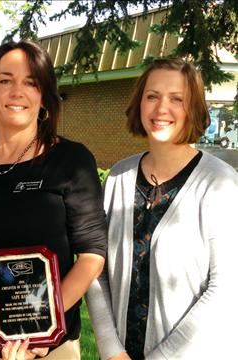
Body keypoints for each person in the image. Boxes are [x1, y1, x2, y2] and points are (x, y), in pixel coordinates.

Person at [0, 40, 107, 360]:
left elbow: (92, 256)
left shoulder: (71, 161)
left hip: (49, 347)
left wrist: (41, 323)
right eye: (5, 80)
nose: (17, 91)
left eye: (31, 82)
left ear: (44, 98)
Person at [85, 58, 238, 359]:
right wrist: (111, 350)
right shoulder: (118, 178)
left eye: (176, 99)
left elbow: (226, 290)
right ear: (139, 103)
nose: (161, 109)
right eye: (152, 96)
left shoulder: (220, 183)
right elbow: (94, 268)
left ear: (193, 108)